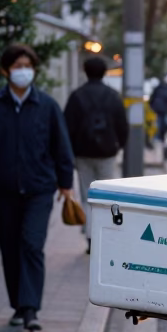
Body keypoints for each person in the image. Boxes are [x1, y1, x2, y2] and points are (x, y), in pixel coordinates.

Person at [0, 44, 75, 332]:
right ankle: (18, 304)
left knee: (31, 244)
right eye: (17, 66)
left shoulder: (48, 106)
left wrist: (66, 184)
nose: (24, 71)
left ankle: (30, 310)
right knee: (11, 249)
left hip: (40, 188)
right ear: (5, 70)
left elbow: (61, 147)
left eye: (28, 65)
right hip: (4, 190)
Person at [63, 56, 128, 253]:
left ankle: (91, 238)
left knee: (87, 195)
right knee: (107, 196)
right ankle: (106, 235)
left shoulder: (77, 96)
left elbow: (67, 127)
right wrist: (119, 146)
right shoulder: (112, 95)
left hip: (83, 153)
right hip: (107, 153)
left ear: (85, 71)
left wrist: (71, 152)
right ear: (104, 72)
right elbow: (122, 125)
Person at [149, 76, 167, 143]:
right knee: (164, 123)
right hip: (164, 109)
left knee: (158, 123)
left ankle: (157, 137)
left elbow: (152, 99)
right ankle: (162, 136)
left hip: (157, 109)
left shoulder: (157, 89)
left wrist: (151, 106)